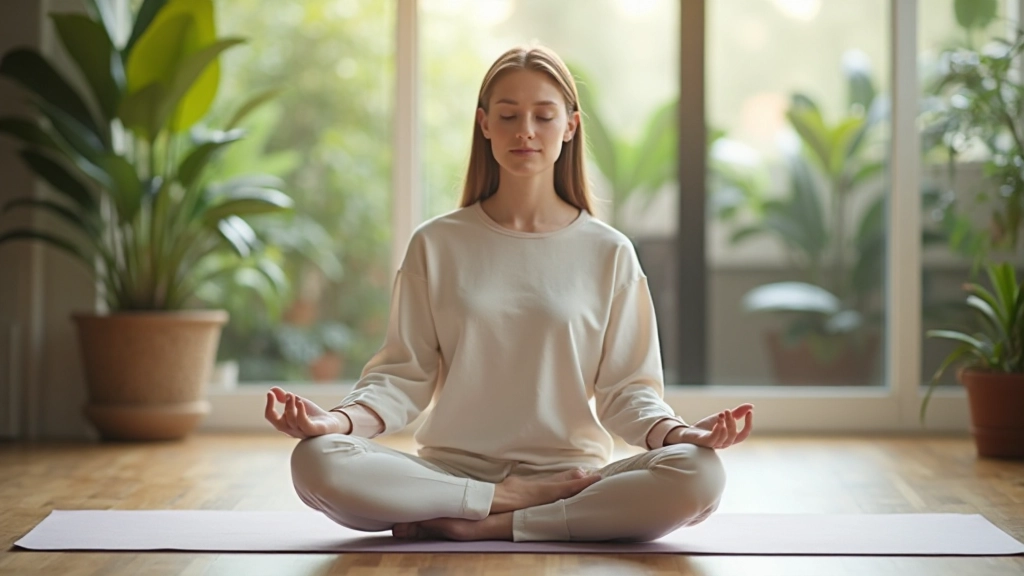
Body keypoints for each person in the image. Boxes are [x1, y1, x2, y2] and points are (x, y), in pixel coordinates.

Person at [264, 44, 754, 543]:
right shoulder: (436, 243)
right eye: (508, 115)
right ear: (484, 124)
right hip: (448, 477)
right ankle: (506, 505)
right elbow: (401, 377)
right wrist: (336, 422)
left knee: (700, 474)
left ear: (570, 125)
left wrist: (682, 435)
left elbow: (629, 392)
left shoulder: (610, 252)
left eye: (543, 116)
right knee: (316, 461)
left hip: (571, 481)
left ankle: (490, 524)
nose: (525, 131)